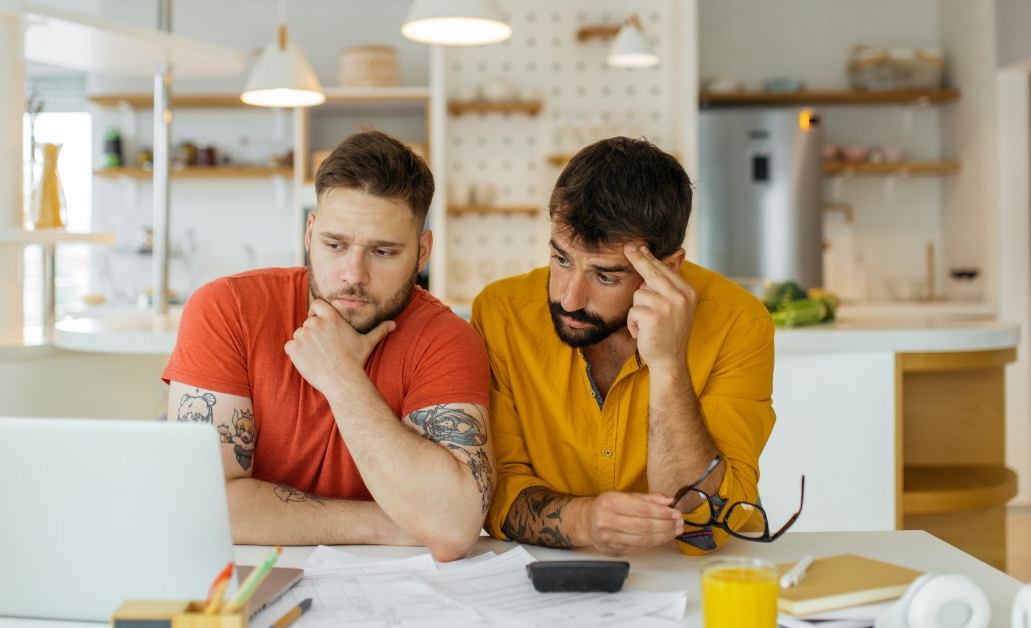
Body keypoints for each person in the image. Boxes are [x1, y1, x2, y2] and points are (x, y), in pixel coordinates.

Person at [162, 130, 493, 561]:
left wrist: (341, 379)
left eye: (383, 252)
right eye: (335, 245)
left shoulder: (446, 339)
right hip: (246, 576)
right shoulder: (228, 309)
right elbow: (201, 503)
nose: (353, 274)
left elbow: (451, 527)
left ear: (422, 251)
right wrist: (382, 524)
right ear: (309, 232)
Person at [470, 136, 776, 557]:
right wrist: (585, 522)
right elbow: (493, 493)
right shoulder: (501, 313)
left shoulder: (739, 322)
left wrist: (668, 366)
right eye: (562, 260)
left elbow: (705, 521)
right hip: (551, 569)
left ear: (667, 268)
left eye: (606, 276)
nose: (569, 299)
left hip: (697, 576)